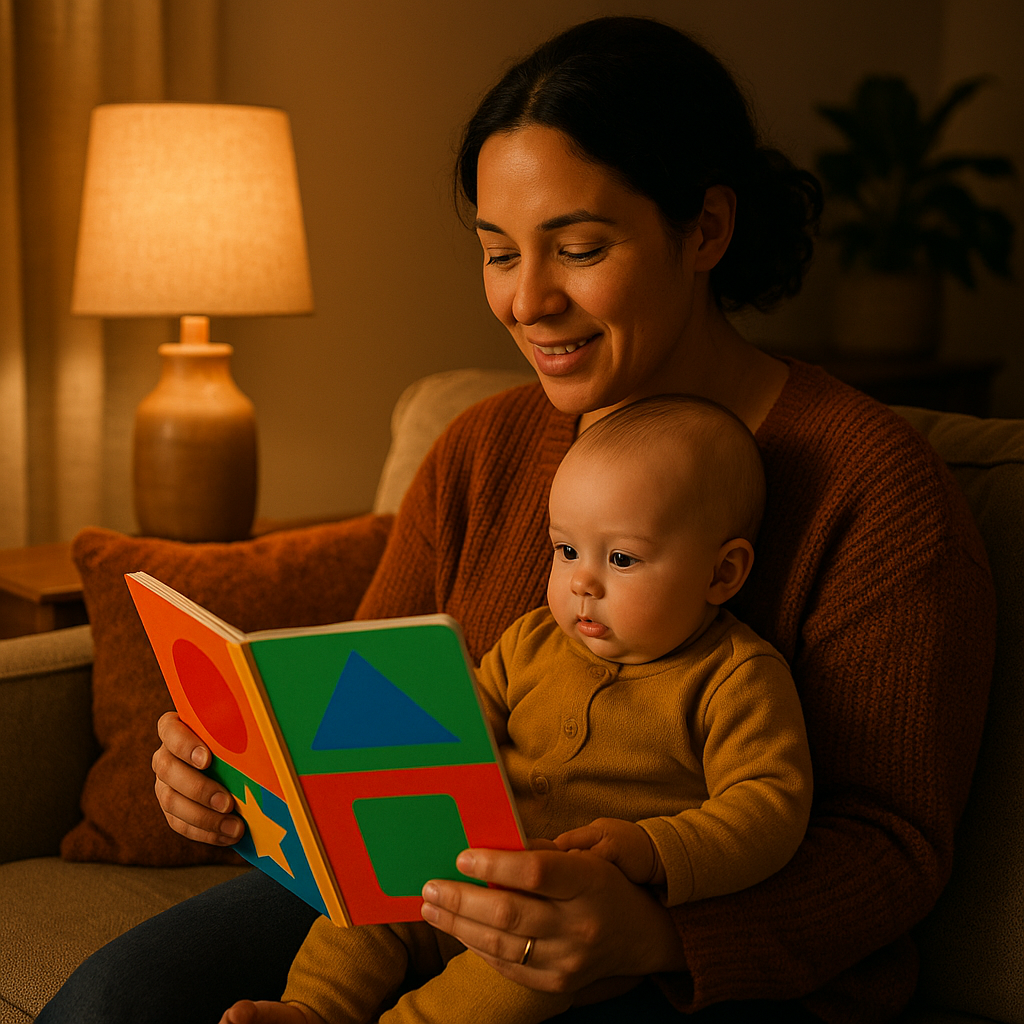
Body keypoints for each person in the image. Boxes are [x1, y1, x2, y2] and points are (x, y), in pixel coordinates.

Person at [38, 15, 995, 1024]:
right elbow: (369, 712)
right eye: (498, 253)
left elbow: (892, 848)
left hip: (684, 968)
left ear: (705, 229)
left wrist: (652, 932)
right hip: (427, 892)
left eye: (577, 248)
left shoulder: (877, 491)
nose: (527, 299)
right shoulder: (481, 447)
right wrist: (245, 785)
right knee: (110, 1003)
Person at [220, 395, 813, 1024]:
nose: (584, 582)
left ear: (722, 573)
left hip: (565, 925)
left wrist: (655, 847)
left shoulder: (734, 678)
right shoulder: (533, 639)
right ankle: (312, 1010)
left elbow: (769, 804)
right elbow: (467, 722)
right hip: (460, 868)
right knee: (364, 913)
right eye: (565, 551)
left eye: (622, 558)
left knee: (510, 982)